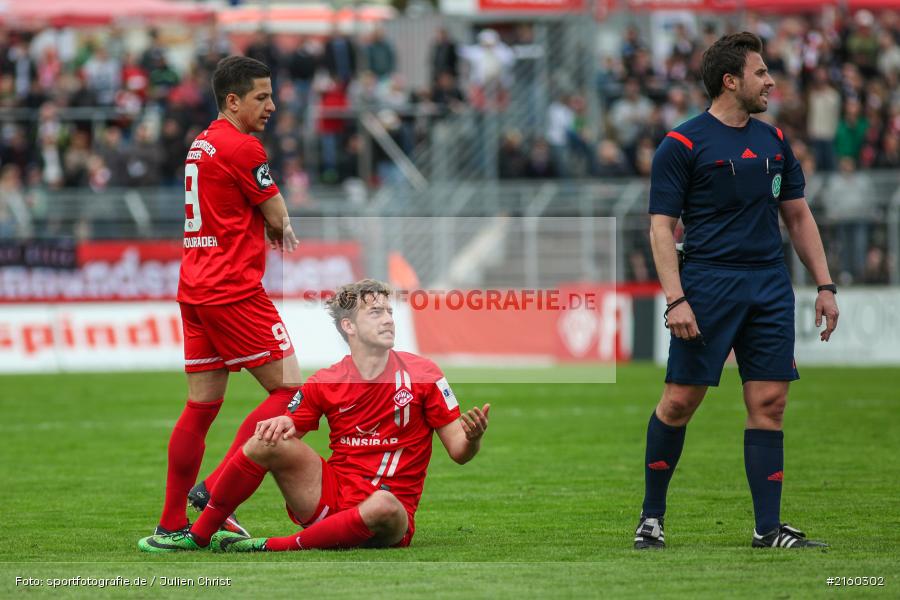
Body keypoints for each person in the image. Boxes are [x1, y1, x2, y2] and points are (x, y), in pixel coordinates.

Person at [635, 33, 839, 550]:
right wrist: (676, 298)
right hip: (707, 284)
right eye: (761, 72)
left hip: (769, 284)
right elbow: (662, 229)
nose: (771, 81)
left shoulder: (774, 141)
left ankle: (768, 529)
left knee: (769, 403)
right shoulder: (681, 145)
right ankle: (651, 518)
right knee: (680, 402)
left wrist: (825, 284)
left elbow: (797, 215)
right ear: (731, 81)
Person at [139, 279, 490, 552]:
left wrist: (472, 439)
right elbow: (293, 424)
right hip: (329, 498)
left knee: (384, 504)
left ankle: (269, 546)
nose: (387, 320)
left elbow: (459, 451)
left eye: (389, 312)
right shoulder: (326, 380)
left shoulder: (424, 374)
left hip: (388, 516)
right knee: (265, 439)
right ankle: (198, 536)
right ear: (349, 327)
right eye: (375, 313)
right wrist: (282, 423)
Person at [150, 55, 303, 539]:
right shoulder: (244, 147)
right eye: (262, 97)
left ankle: (172, 523)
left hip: (194, 287)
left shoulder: (202, 144)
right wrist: (278, 223)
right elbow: (276, 213)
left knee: (201, 406)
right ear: (232, 100)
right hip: (232, 289)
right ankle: (214, 490)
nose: (272, 106)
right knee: (292, 390)